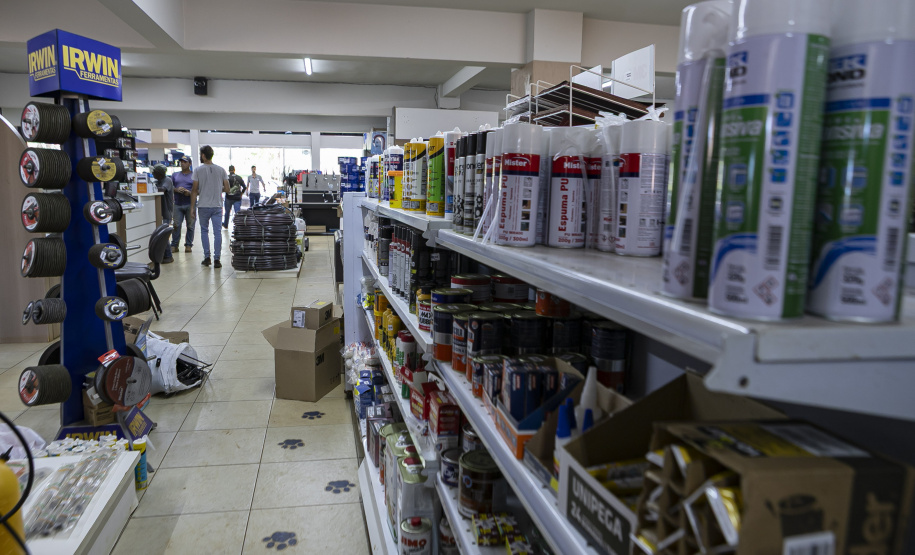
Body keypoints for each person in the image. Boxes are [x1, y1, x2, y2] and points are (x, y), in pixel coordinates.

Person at [190, 145, 229, 268]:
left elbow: (194, 190)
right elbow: (227, 189)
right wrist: (217, 189)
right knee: (218, 233)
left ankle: (207, 258)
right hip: (217, 206)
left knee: (204, 231)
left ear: (203, 155)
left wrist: (192, 208)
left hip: (203, 206)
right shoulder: (221, 170)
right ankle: (217, 260)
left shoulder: (197, 170)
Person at [171, 156, 195, 253]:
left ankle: (188, 245)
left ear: (190, 164)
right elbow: (170, 186)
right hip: (177, 204)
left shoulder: (194, 176)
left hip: (190, 204)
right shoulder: (175, 175)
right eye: (181, 162)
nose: (183, 163)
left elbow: (198, 190)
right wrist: (176, 189)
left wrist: (190, 193)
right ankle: (174, 245)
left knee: (190, 225)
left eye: (185, 162)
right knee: (176, 225)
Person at [152, 164, 174, 264]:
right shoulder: (158, 181)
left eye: (154, 172)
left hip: (166, 212)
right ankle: (165, 255)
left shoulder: (167, 180)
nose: (152, 174)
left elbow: (162, 189)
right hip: (159, 212)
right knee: (161, 234)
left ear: (159, 174)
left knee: (163, 235)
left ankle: (169, 255)